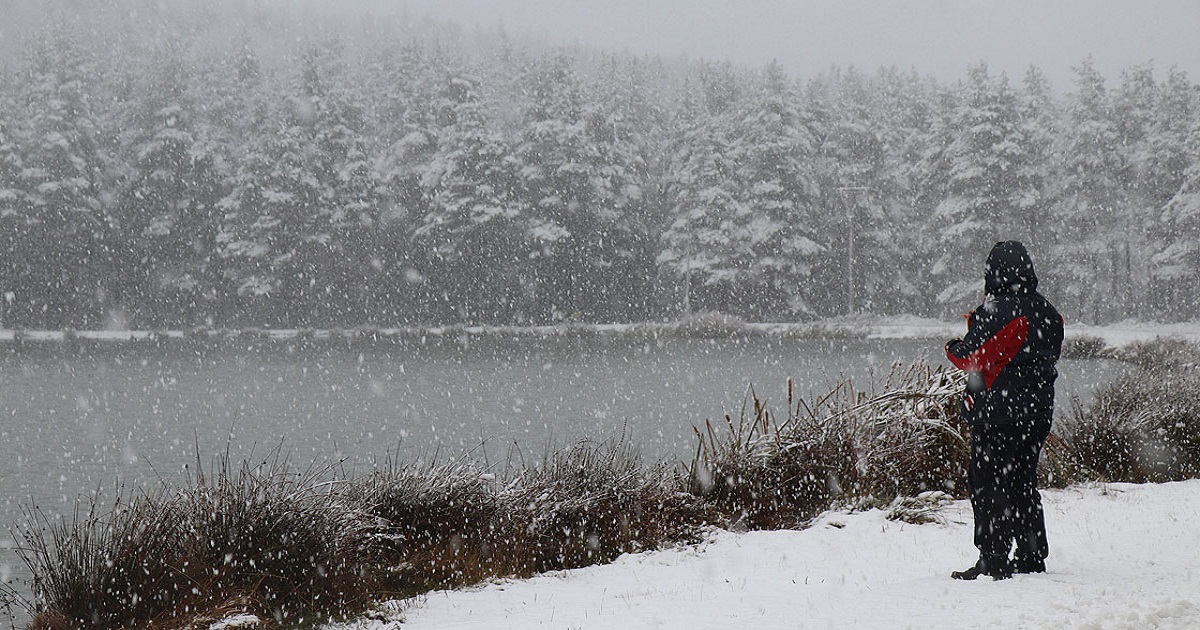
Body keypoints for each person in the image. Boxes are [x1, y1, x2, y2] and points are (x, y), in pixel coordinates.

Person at [944, 241, 1064, 580]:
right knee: (1023, 481)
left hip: (998, 411)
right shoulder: (1048, 311)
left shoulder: (997, 310)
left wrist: (953, 344)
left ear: (992, 272)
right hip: (1038, 412)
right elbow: (1041, 355)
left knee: (987, 484)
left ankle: (993, 558)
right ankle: (1030, 555)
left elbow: (970, 357)